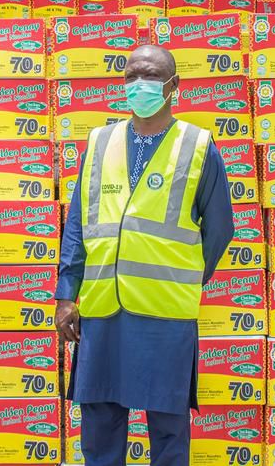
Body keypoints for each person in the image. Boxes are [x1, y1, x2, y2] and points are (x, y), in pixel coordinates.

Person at [54, 44, 235, 466]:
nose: (140, 85)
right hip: (101, 310)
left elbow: (220, 229)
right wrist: (67, 295)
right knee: (100, 423)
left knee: (169, 428)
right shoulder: (100, 142)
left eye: (151, 77)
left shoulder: (197, 146)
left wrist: (185, 275)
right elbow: (78, 224)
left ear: (174, 87)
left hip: (165, 315)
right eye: (132, 76)